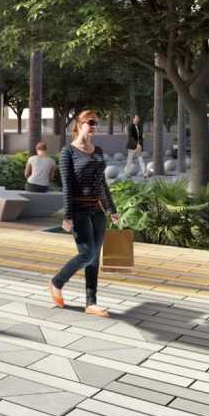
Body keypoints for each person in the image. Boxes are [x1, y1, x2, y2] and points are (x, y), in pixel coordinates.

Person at [49, 109, 120, 318]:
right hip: (78, 210)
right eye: (90, 122)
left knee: (95, 257)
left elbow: (102, 183)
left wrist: (111, 209)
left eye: (96, 123)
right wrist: (67, 216)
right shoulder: (67, 153)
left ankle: (91, 302)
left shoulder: (97, 150)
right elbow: (67, 186)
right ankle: (56, 282)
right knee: (87, 253)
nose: (94, 126)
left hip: (97, 210)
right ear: (79, 125)